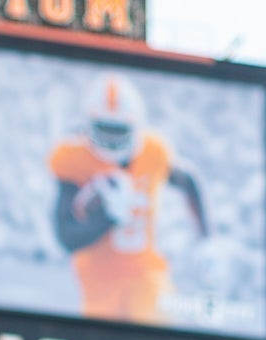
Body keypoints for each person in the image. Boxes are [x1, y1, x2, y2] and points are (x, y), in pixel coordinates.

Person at [50, 71, 206, 324]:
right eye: (105, 129)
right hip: (99, 283)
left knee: (156, 329)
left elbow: (189, 181)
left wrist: (205, 238)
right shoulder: (73, 160)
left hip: (145, 272)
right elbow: (66, 236)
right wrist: (108, 219)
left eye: (119, 130)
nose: (112, 140)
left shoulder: (153, 152)